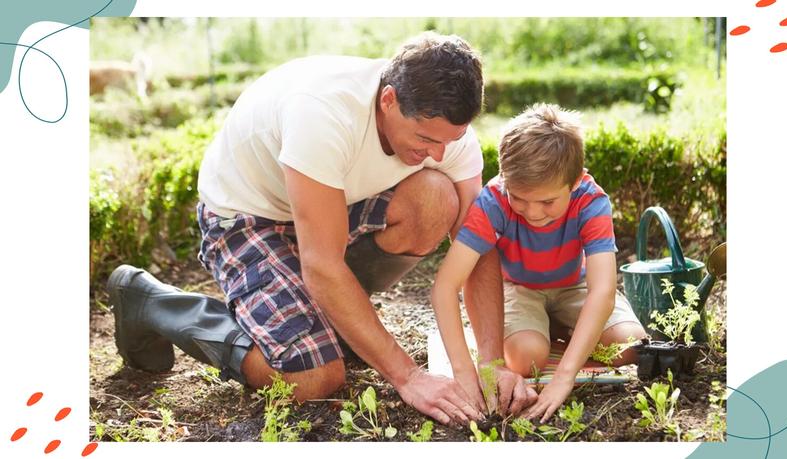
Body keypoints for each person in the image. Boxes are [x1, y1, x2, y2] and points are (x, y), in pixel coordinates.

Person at [107, 32, 530, 426]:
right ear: (388, 100)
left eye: (448, 141)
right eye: (424, 138)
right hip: (248, 217)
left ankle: (329, 319)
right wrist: (408, 376)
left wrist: (491, 364)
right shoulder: (323, 113)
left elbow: (479, 249)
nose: (436, 153)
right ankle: (150, 303)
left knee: (436, 198)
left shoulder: (446, 136)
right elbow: (322, 263)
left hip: (331, 207)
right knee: (313, 377)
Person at [430, 103, 648, 422]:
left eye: (547, 202)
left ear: (574, 183)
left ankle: (561, 327)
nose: (532, 213)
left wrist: (565, 376)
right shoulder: (494, 200)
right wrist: (465, 372)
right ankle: (552, 330)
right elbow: (445, 287)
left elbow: (602, 290)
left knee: (630, 347)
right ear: (505, 180)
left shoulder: (591, 199)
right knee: (525, 358)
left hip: (575, 287)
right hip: (520, 289)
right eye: (519, 198)